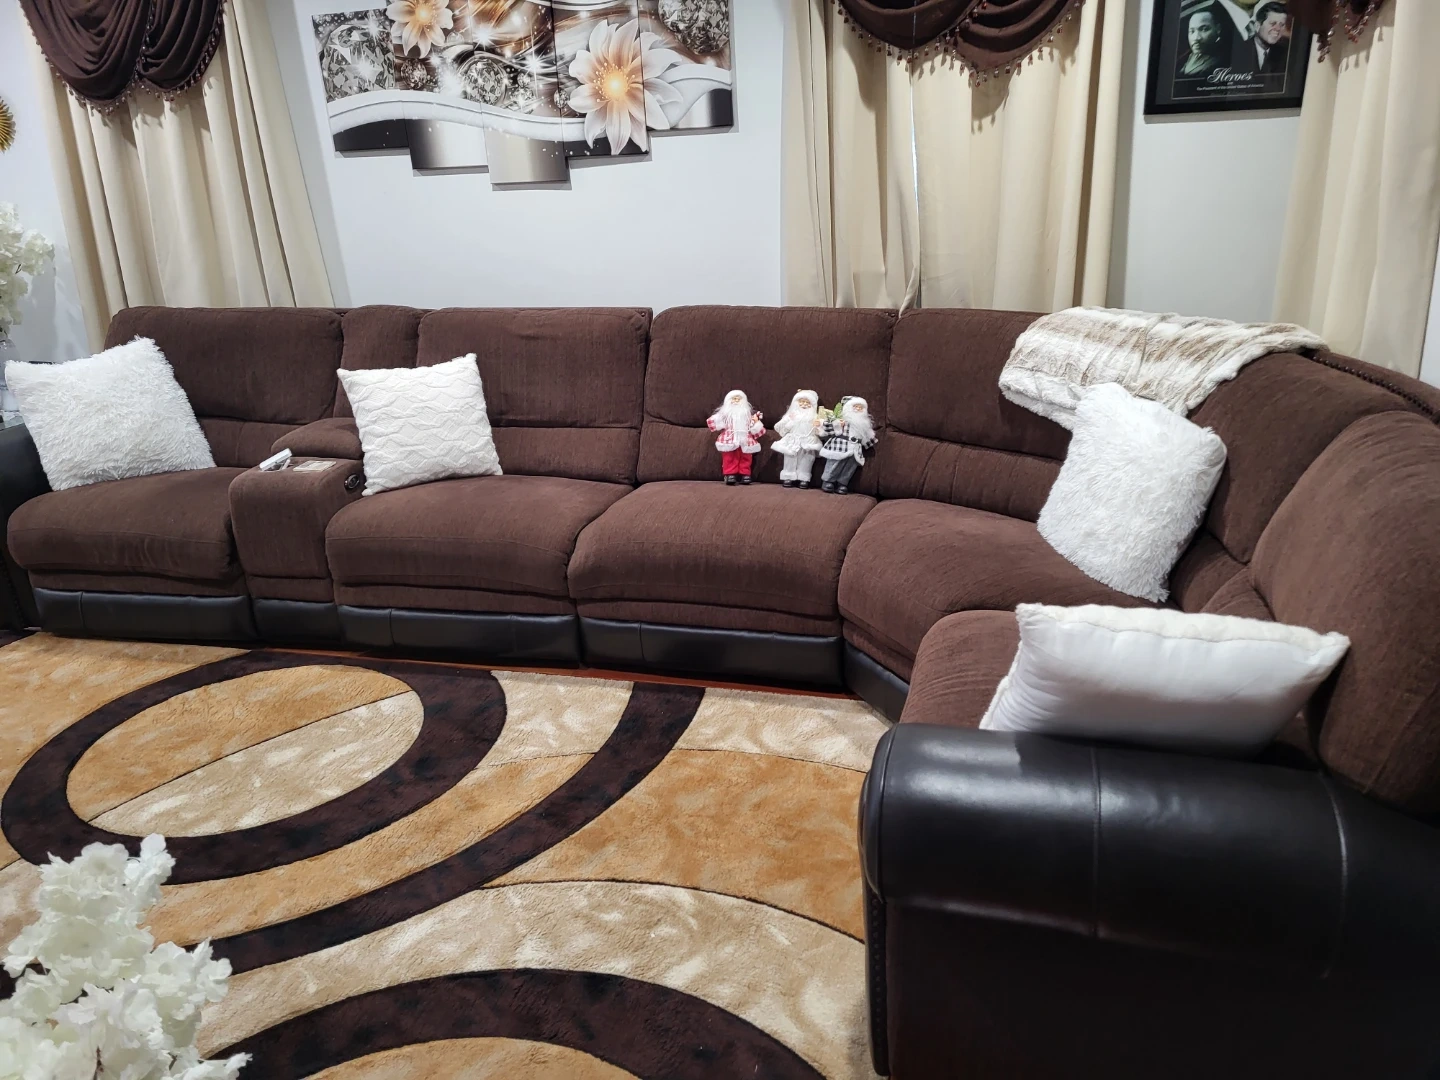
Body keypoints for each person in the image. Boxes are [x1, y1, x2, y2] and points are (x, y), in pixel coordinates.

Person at [818, 396, 878, 495]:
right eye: (855, 407)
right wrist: (837, 424)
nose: (858, 409)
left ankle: (842, 483)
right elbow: (826, 430)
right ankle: (828, 481)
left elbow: (868, 437)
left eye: (860, 408)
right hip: (839, 447)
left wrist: (871, 443)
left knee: (849, 468)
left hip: (855, 450)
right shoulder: (842, 421)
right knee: (834, 464)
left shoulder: (864, 425)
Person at [707, 389, 764, 485]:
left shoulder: (748, 416)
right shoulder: (724, 415)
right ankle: (730, 474)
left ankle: (745, 474)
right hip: (729, 439)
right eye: (734, 399)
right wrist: (718, 419)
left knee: (746, 457)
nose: (736, 401)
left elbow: (756, 429)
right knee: (729, 457)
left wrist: (756, 423)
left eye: (738, 399)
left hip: (745, 439)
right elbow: (713, 423)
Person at [772, 390, 824, 488]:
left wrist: (819, 426)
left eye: (807, 402)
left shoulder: (815, 417)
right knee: (790, 458)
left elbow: (821, 432)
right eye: (802, 401)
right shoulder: (791, 415)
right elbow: (779, 428)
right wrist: (789, 421)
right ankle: (788, 476)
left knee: (807, 459)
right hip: (792, 440)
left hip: (808, 441)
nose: (804, 404)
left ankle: (804, 478)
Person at [1176, 5, 1225, 79]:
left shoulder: (1220, 60)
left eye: (1204, 29)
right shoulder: (1186, 56)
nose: (1196, 38)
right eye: (1192, 31)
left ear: (1218, 29)